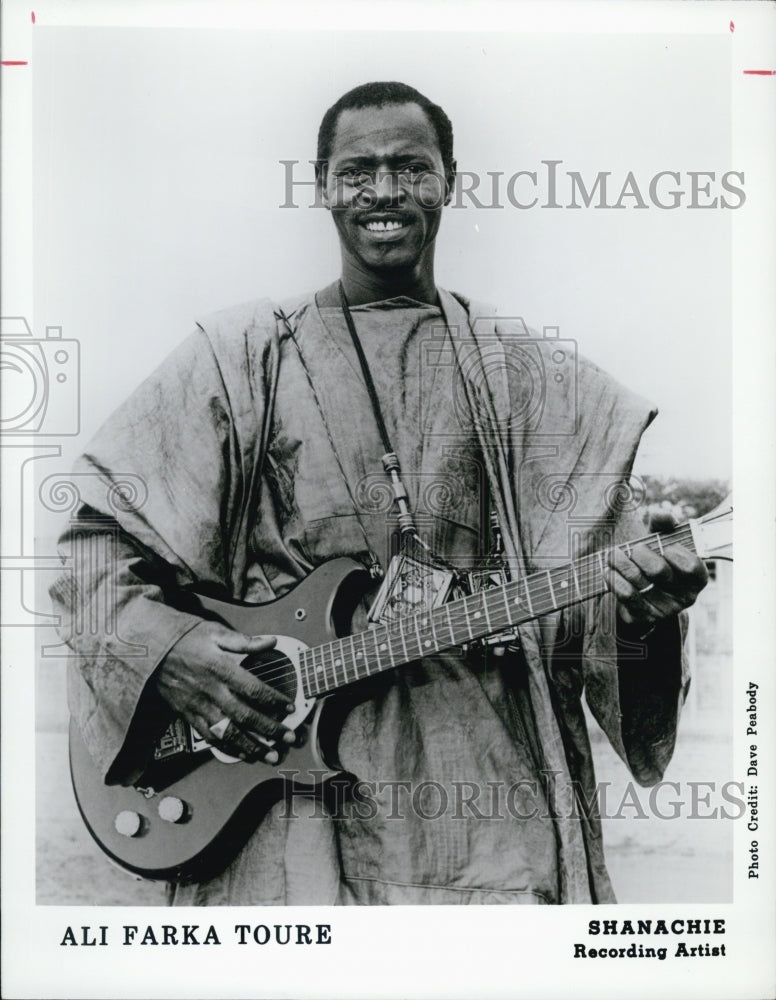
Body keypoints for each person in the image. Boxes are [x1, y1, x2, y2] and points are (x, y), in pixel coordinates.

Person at [51, 81, 708, 905]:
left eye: (410, 167)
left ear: (451, 180)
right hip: (285, 822)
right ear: (323, 185)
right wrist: (172, 653)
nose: (386, 192)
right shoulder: (239, 357)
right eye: (358, 170)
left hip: (493, 823)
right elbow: (92, 556)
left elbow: (595, 608)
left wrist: (648, 607)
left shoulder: (535, 379)